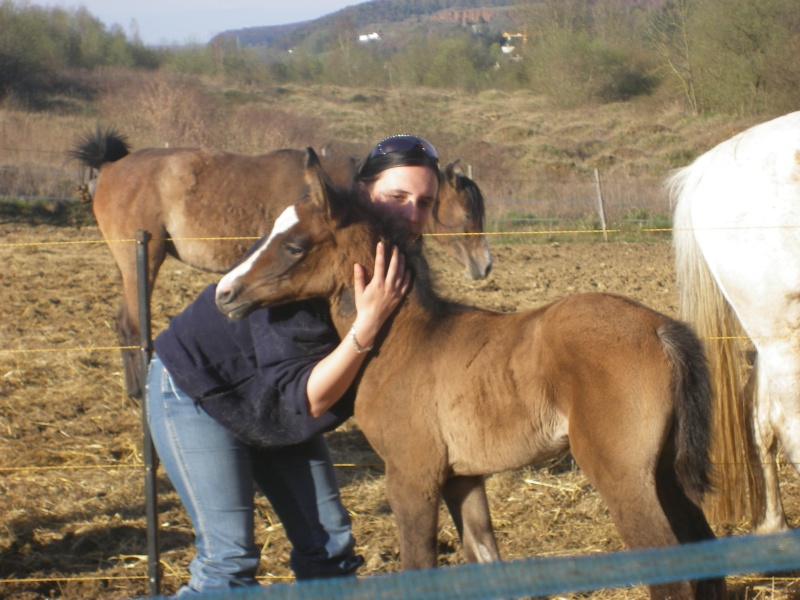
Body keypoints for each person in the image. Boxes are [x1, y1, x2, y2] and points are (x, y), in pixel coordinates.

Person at [145, 135, 442, 596]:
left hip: (271, 403)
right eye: (397, 197)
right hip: (198, 390)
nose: (410, 214)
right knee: (230, 561)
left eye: (424, 203)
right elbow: (308, 399)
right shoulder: (307, 255)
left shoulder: (394, 259)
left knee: (330, 547)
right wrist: (367, 325)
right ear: (362, 193)